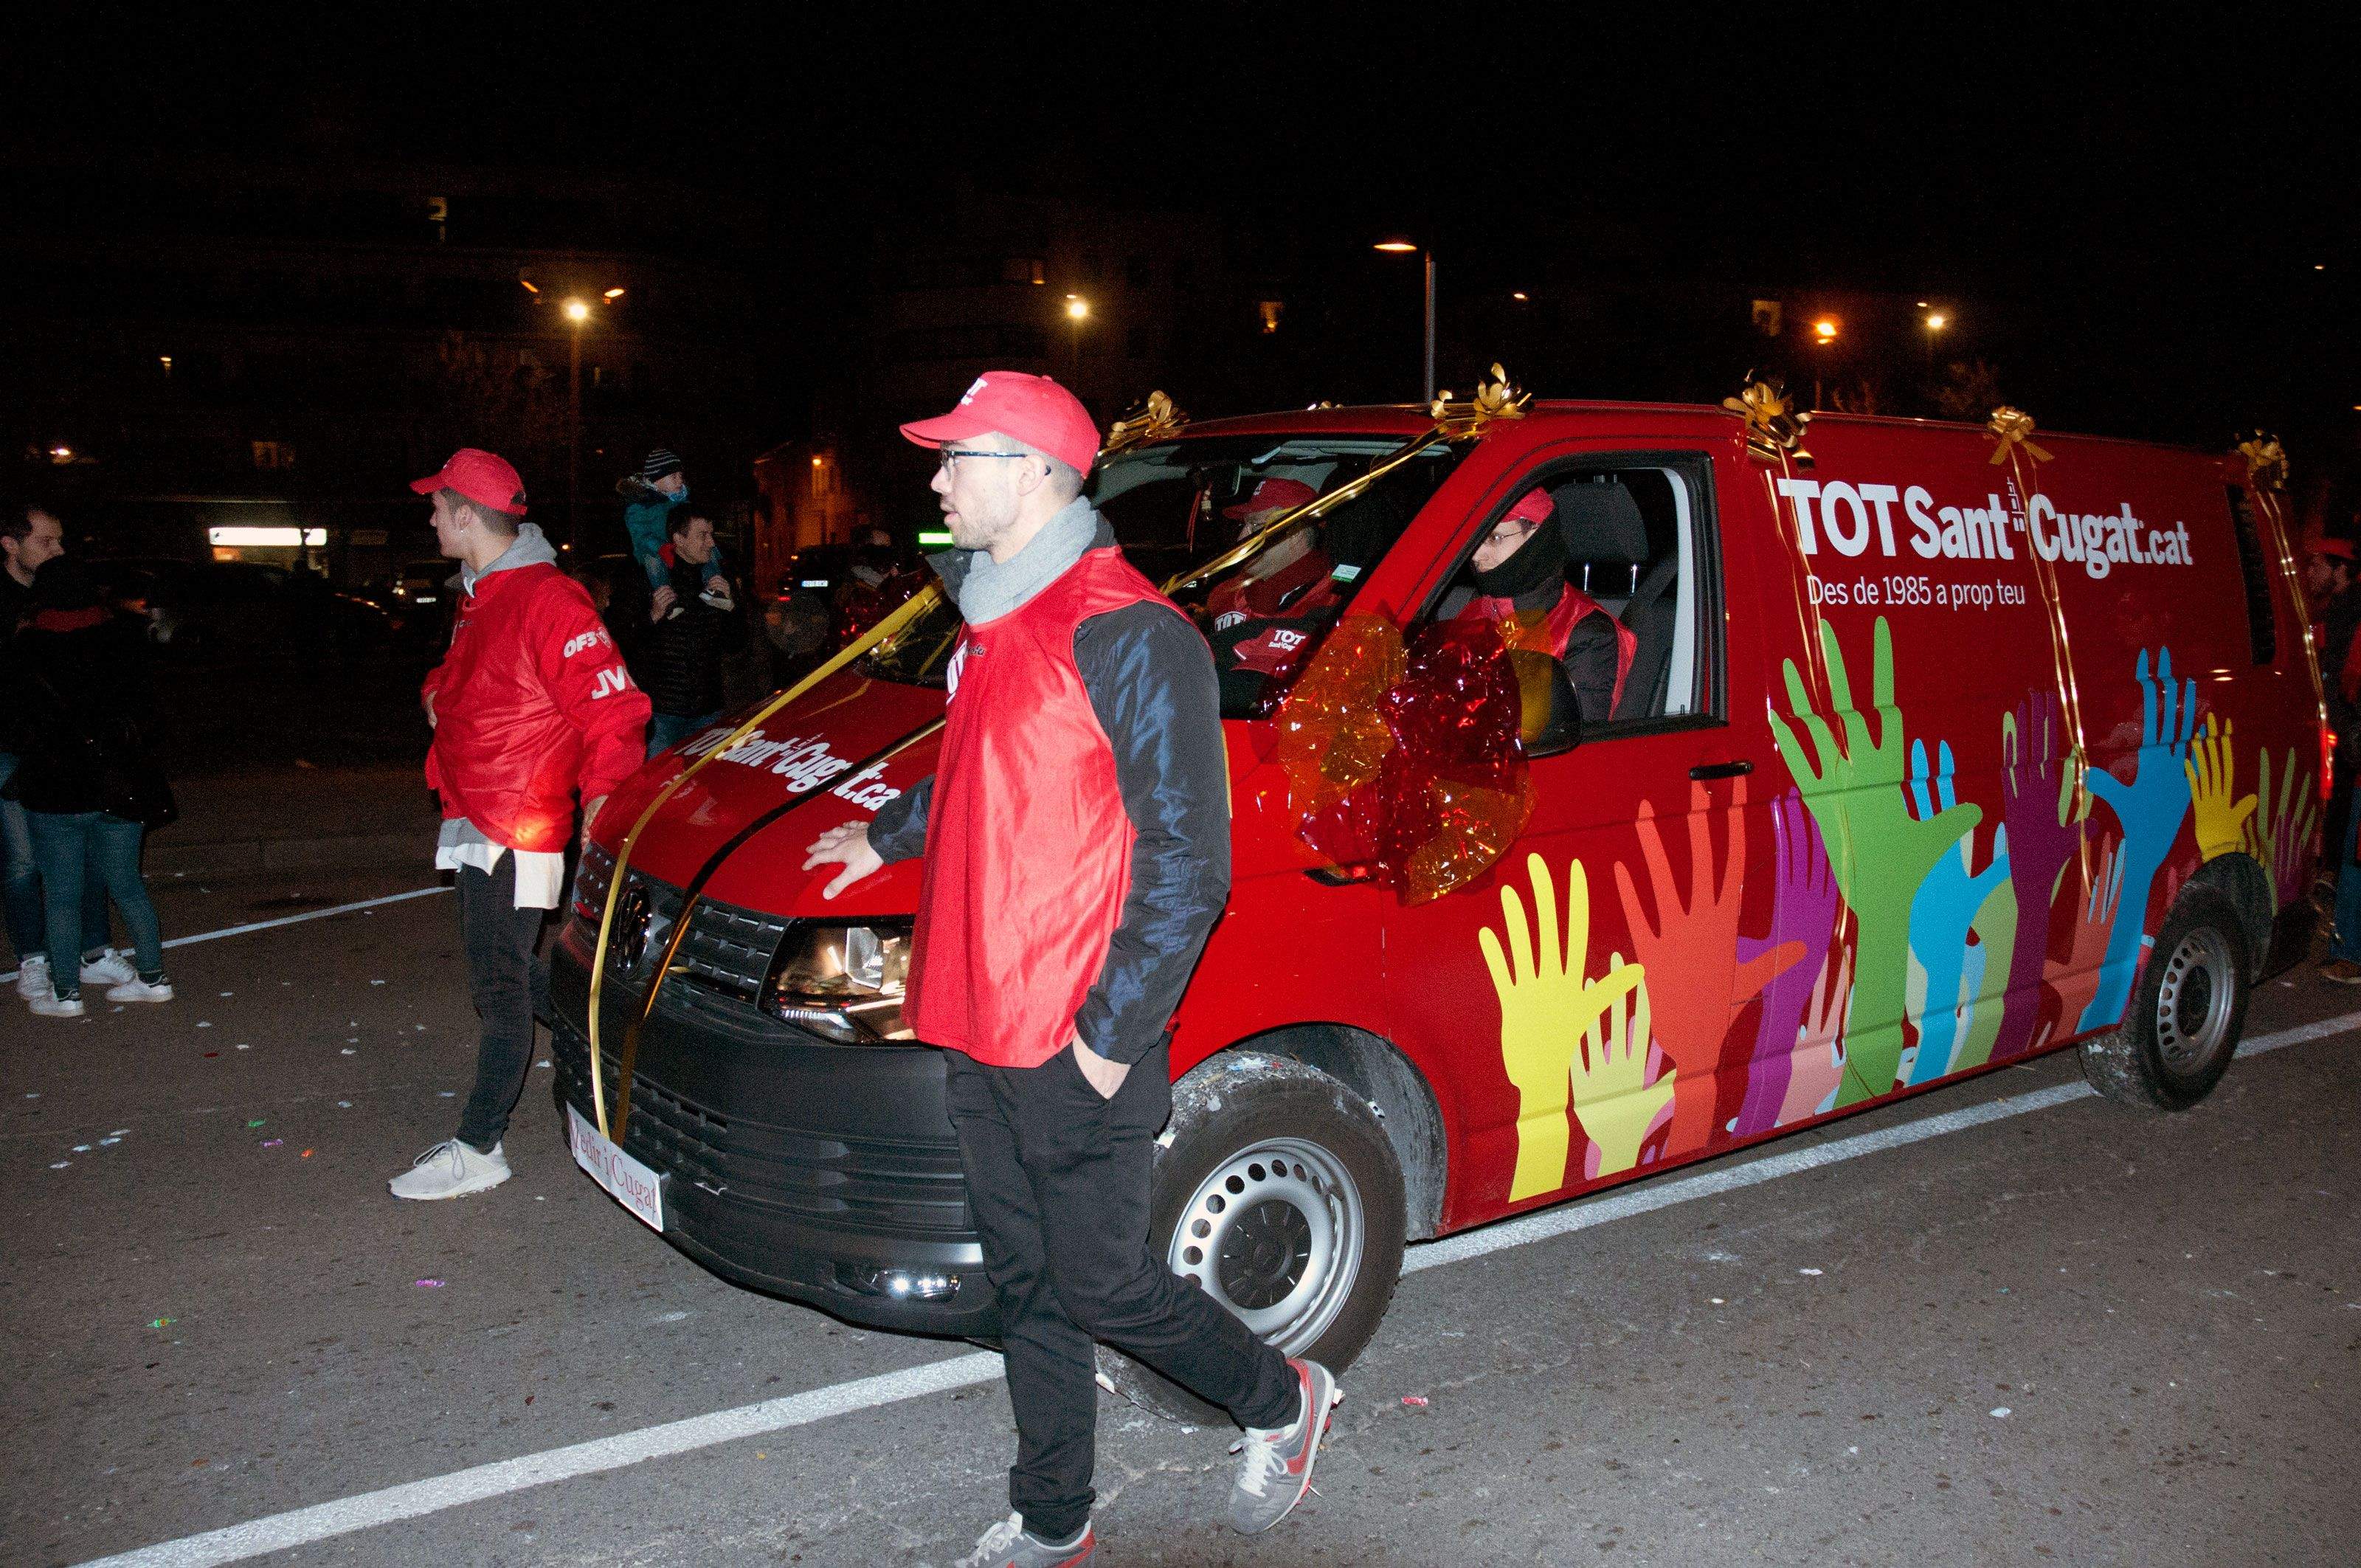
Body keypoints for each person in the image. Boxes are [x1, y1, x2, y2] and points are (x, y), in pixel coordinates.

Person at [803, 372, 1335, 1567]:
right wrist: (882, 832)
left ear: (1036, 471)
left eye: (958, 459)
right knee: (1024, 1285)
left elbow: (1190, 864)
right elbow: (985, 773)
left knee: (1102, 1288)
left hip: (1069, 1031)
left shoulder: (1131, 629)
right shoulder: (997, 618)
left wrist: (1107, 1037)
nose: (936, 480)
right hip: (974, 1015)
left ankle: (1281, 1398)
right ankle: (1056, 1516)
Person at [393, 449, 650, 1200]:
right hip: (474, 813)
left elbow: (615, 708)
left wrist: (602, 799)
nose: (432, 516)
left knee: (500, 987)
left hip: (517, 823)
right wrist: (436, 692)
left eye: (437, 506)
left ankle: (480, 1148)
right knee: (516, 976)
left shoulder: (548, 597)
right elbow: (462, 675)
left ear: (468, 514)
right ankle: (614, 1033)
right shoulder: (481, 592)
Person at [7, 557, 172, 1017]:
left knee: (60, 895)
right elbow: (149, 716)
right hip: (119, 787)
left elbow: (18, 727)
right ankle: (153, 980)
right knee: (127, 886)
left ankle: (66, 995)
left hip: (56, 790)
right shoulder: (123, 639)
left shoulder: (27, 646)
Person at [2, 502, 130, 1002]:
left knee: (89, 848)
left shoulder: (67, 590)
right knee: (23, 860)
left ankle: (94, 951)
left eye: (60, 541)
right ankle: (33, 959)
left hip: (70, 749)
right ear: (10, 545)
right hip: (12, 746)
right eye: (45, 542)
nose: (57, 550)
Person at [1445, 488, 1634, 737]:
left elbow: (1571, 747)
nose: (1477, 555)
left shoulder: (1586, 632)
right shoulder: (1474, 610)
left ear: (1536, 534)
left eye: (1496, 538)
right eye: (1477, 537)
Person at [640, 511, 741, 757]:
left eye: (712, 534)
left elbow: (737, 644)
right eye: (703, 535)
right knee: (660, 788)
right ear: (679, 539)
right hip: (664, 714)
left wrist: (731, 608)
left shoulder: (718, 579)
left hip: (709, 711)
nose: (712, 543)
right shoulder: (649, 579)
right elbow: (627, 642)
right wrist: (652, 616)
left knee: (706, 789)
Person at [618, 447, 727, 609]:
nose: (679, 481)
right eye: (673, 476)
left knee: (709, 551)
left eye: (681, 476)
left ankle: (714, 588)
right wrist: (660, 547)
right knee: (653, 562)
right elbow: (639, 534)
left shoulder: (682, 500)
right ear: (655, 480)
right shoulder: (640, 505)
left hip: (680, 545)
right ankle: (667, 599)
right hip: (654, 547)